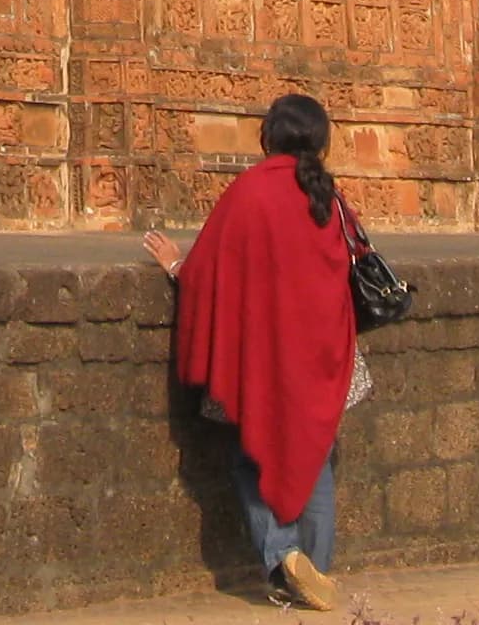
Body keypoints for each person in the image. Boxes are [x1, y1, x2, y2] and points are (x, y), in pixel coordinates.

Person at [144, 93, 360, 612]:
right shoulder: (328, 198)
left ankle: (284, 558)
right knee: (316, 461)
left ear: (269, 137)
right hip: (322, 354)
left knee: (251, 456)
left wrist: (175, 267)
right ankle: (316, 571)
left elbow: (208, 270)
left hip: (265, 354)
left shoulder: (250, 192)